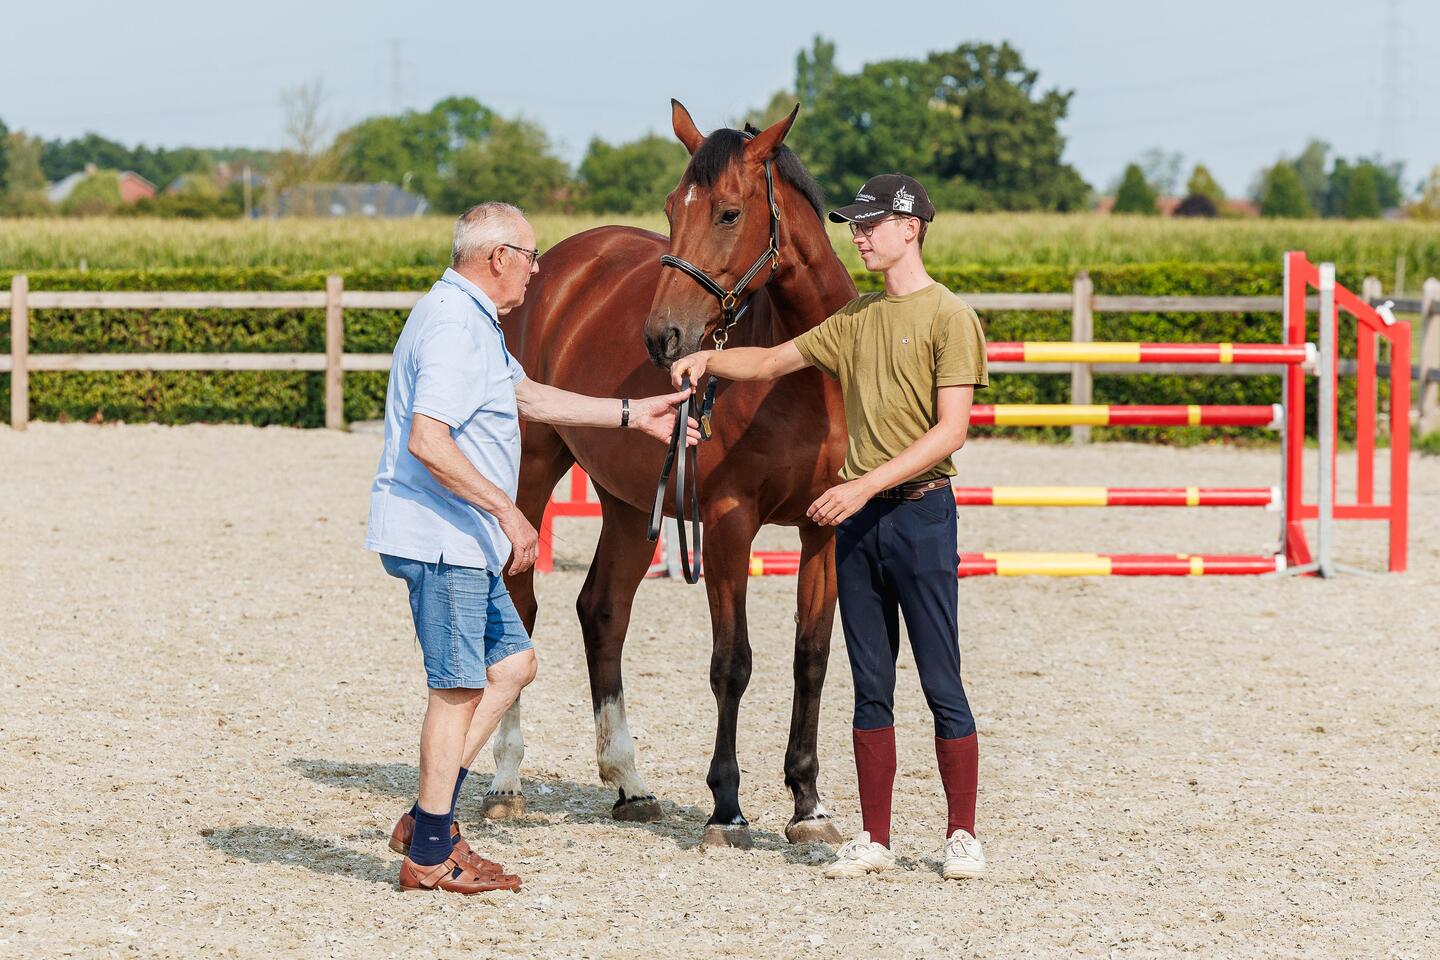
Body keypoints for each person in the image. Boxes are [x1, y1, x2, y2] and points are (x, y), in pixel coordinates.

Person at [366, 202, 697, 895]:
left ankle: (424, 820)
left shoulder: (473, 320)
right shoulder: (456, 326)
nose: (538, 269)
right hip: (445, 534)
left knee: (512, 665)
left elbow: (530, 397)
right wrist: (511, 513)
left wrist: (634, 415)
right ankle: (429, 850)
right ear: (497, 258)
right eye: (531, 255)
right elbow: (428, 440)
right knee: (457, 690)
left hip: (462, 533)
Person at [669, 175, 987, 882]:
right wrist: (707, 358)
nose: (859, 235)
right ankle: (875, 836)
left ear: (912, 228)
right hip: (864, 518)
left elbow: (952, 431)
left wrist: (863, 483)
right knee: (870, 682)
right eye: (856, 225)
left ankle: (962, 832)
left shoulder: (950, 317)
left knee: (941, 679)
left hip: (920, 512)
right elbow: (772, 360)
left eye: (872, 225)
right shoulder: (855, 319)